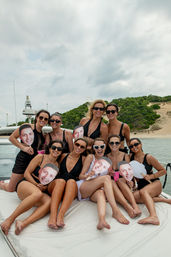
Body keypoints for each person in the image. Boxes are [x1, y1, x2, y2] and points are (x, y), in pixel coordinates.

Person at [0, 140, 63, 235]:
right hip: (27, 183)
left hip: (38, 189)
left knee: (49, 201)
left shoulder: (57, 166)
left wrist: (45, 187)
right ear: (49, 148)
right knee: (37, 194)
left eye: (59, 149)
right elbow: (27, 173)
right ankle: (9, 220)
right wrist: (36, 184)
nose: (56, 150)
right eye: (54, 147)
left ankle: (23, 223)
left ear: (61, 151)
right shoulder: (40, 157)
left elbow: (48, 183)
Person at [77, 138, 129, 230]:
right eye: (96, 147)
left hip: (95, 191)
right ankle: (115, 211)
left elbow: (113, 178)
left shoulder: (108, 161)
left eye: (102, 146)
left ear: (105, 147)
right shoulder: (91, 157)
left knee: (101, 193)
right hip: (85, 186)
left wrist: (117, 174)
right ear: (93, 148)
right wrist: (87, 175)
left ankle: (102, 220)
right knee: (106, 178)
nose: (99, 149)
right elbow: (81, 176)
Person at [0, 110, 50, 192]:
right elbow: (12, 138)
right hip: (22, 160)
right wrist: (23, 148)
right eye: (41, 117)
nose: (43, 120)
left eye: (46, 119)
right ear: (37, 117)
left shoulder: (42, 134)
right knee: (11, 188)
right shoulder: (26, 127)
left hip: (33, 163)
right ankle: (1, 184)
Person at [47, 138, 87, 229]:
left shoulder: (84, 159)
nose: (79, 147)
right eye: (77, 144)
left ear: (84, 149)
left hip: (71, 188)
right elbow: (50, 162)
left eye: (82, 147)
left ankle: (60, 215)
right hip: (57, 185)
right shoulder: (63, 155)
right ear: (73, 144)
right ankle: (52, 217)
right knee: (61, 181)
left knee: (71, 181)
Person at [129, 137, 170, 225]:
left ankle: (153, 216)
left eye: (136, 144)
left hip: (154, 184)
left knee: (144, 192)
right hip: (141, 185)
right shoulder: (130, 158)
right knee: (133, 198)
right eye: (131, 146)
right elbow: (130, 172)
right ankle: (163, 200)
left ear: (141, 144)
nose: (134, 147)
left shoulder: (148, 157)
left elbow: (163, 171)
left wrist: (151, 176)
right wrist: (132, 184)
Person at [107, 135, 141, 218]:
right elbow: (105, 174)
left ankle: (134, 206)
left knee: (119, 180)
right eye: (112, 143)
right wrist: (113, 174)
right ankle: (127, 207)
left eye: (117, 143)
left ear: (120, 145)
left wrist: (132, 181)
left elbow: (129, 172)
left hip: (123, 182)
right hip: (112, 184)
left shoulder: (125, 156)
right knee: (112, 181)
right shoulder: (106, 157)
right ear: (108, 144)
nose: (114, 145)